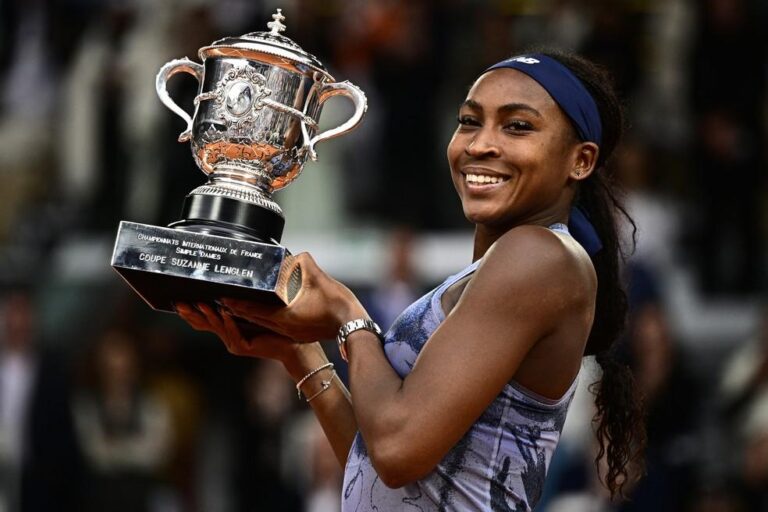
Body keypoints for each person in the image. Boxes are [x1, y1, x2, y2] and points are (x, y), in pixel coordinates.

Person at [176, 50, 645, 511]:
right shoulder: (505, 268)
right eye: (469, 121)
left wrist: (346, 312)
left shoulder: (539, 255)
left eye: (517, 126)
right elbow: (377, 474)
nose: (480, 144)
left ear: (581, 161)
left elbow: (396, 451)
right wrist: (299, 354)